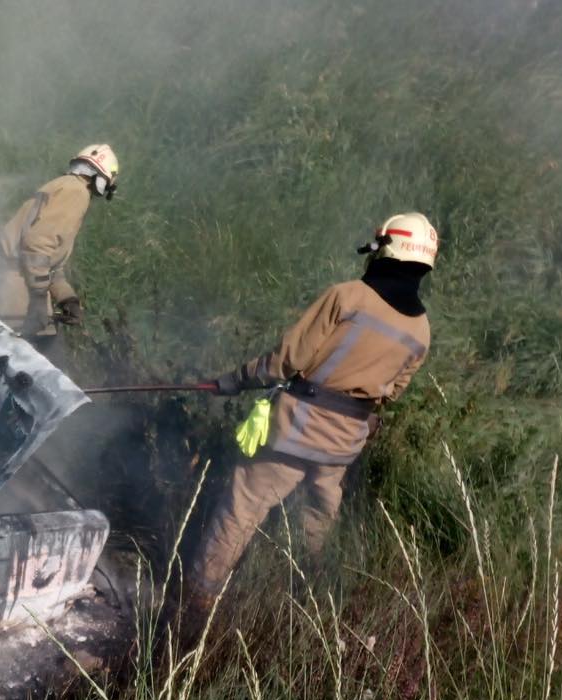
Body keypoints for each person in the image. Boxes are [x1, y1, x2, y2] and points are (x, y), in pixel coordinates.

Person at [171, 212, 439, 650]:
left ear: (383, 251)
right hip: (344, 445)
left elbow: (288, 359)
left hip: (296, 431)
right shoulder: (421, 329)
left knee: (243, 508)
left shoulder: (348, 297)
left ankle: (194, 606)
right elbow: (393, 390)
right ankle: (311, 606)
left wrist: (235, 379)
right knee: (317, 522)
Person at [0, 144, 118, 360]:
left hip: (15, 278)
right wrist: (39, 298)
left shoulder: (64, 186)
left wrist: (67, 298)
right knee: (39, 363)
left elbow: (48, 262)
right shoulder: (76, 193)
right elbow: (37, 247)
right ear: (101, 178)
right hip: (16, 287)